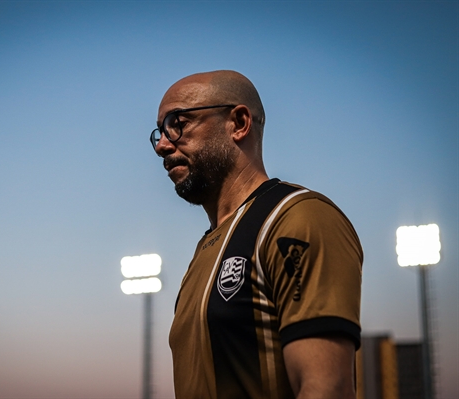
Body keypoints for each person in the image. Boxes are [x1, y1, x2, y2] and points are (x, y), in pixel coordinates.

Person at [151, 70, 362, 399]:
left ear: (238, 123)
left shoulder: (297, 217)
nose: (163, 146)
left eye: (178, 124)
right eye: (159, 132)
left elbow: (327, 389)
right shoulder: (205, 249)